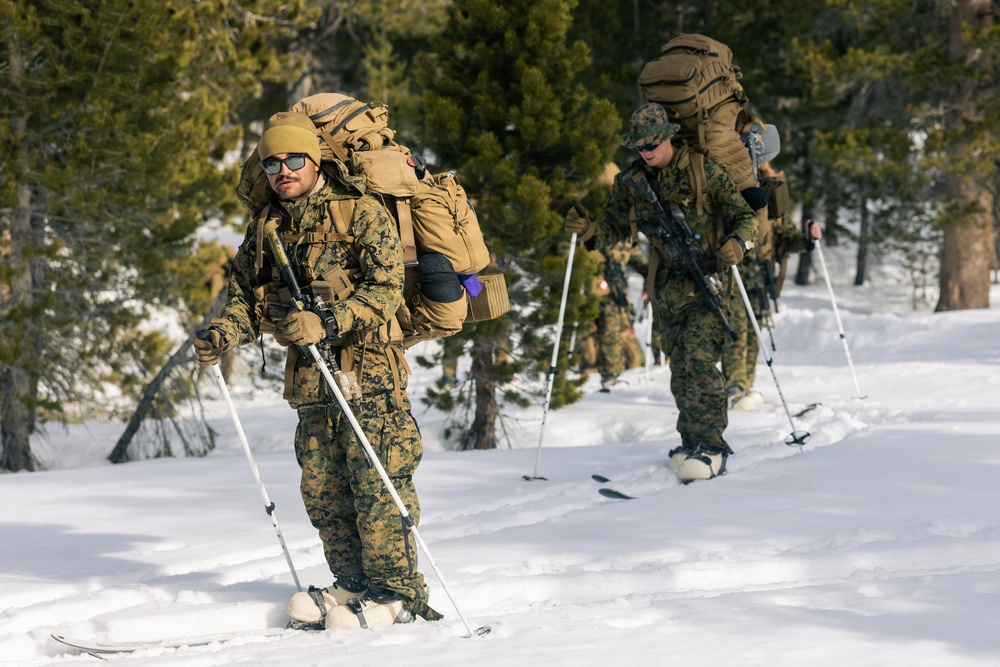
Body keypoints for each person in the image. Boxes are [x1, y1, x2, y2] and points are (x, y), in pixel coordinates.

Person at [193, 111, 440, 629]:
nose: (284, 170)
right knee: (324, 488)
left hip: (368, 374)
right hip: (311, 384)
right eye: (273, 162)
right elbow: (246, 297)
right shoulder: (267, 227)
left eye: (294, 159)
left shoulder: (361, 212)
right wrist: (222, 335)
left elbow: (386, 288)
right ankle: (350, 582)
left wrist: (328, 319)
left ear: (315, 160)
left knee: (378, 484)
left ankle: (396, 593)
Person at [565, 103, 757, 483]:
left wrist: (739, 244)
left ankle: (711, 446)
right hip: (667, 288)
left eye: (653, 143)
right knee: (680, 369)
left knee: (701, 365)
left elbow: (745, 218)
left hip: (707, 283)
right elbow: (614, 229)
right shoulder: (632, 182)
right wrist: (588, 232)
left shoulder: (703, 171)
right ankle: (690, 442)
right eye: (639, 146)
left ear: (669, 136)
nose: (647, 151)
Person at [723, 162, 822, 411]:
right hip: (732, 273)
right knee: (736, 331)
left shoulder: (770, 193)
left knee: (754, 331)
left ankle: (744, 385)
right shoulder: (727, 186)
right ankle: (733, 387)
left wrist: (807, 240)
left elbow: (786, 237)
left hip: (758, 275)